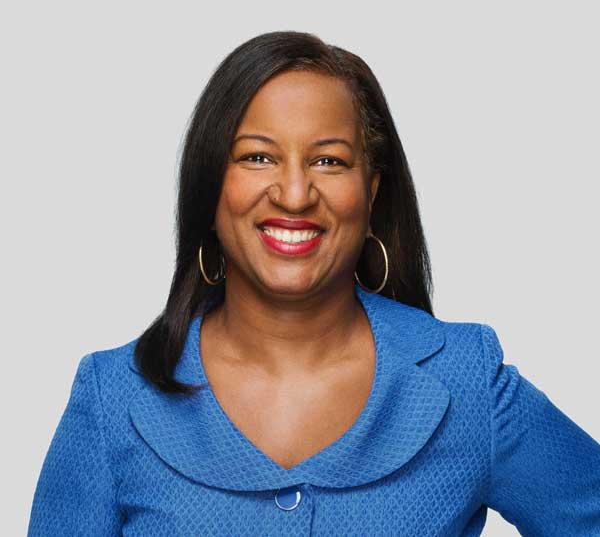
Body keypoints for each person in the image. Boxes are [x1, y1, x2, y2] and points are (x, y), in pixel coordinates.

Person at [28, 30, 600, 536]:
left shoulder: (465, 380)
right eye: (257, 157)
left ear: (371, 192)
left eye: (329, 161)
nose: (295, 195)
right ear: (210, 186)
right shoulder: (112, 398)